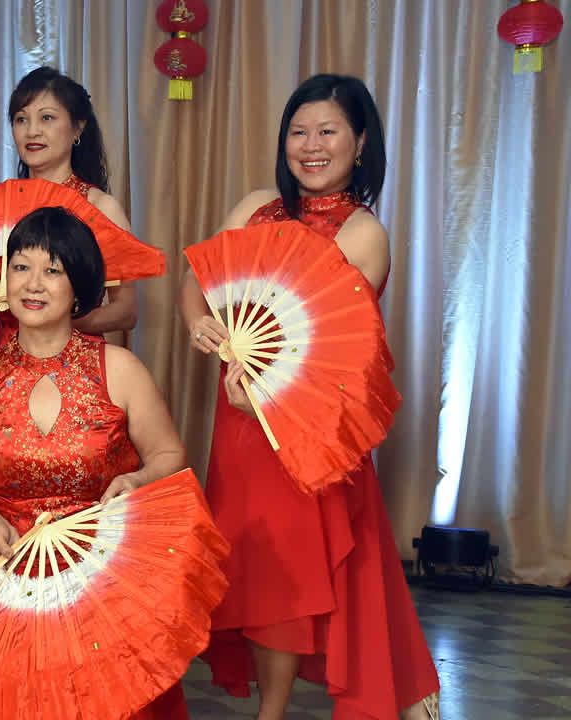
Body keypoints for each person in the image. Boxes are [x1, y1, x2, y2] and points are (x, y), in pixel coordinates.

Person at [178, 74, 440, 720]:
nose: (311, 146)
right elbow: (199, 277)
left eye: (328, 132)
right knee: (254, 557)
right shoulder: (255, 205)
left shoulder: (363, 233)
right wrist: (196, 321)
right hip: (239, 425)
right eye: (299, 131)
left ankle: (273, 712)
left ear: (360, 142)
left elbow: (329, 352)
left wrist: (266, 403)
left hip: (305, 429)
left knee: (292, 571)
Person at [0, 207, 195, 719]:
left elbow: (170, 454)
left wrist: (136, 478)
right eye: (21, 266)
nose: (33, 284)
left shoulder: (118, 368)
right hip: (10, 566)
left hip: (102, 572)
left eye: (52, 270)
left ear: (79, 287)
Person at [0, 67, 138, 347]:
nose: (32, 131)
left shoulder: (100, 207)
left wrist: (53, 320)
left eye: (47, 118)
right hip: (7, 362)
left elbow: (126, 311)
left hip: (76, 364)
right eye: (21, 119)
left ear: (78, 127)